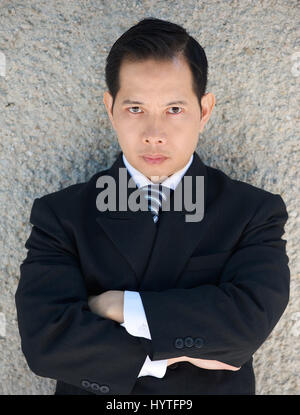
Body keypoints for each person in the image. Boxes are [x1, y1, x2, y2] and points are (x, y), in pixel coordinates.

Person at [15, 17, 290, 395]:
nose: (154, 134)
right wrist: (180, 346)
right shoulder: (61, 216)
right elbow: (45, 340)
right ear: (110, 108)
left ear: (204, 110)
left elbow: (246, 325)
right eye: (135, 109)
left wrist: (121, 307)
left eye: (174, 109)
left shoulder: (253, 212)